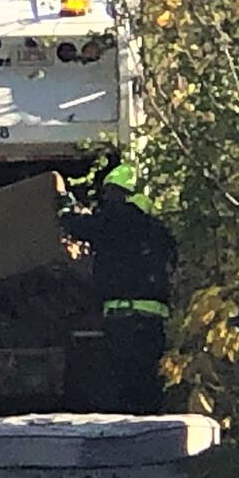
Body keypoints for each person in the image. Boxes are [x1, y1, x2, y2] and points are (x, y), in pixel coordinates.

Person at [60, 164, 176, 414]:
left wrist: (64, 208)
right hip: (154, 321)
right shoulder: (158, 230)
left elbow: (76, 226)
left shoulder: (114, 221)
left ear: (119, 194)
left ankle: (126, 439)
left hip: (122, 319)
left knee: (122, 385)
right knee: (148, 384)